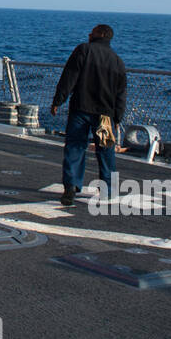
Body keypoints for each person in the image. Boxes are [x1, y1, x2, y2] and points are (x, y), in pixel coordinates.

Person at [50, 24, 128, 208]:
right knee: (106, 152)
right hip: (105, 116)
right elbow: (121, 93)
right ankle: (108, 190)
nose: (89, 34)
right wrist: (118, 118)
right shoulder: (118, 61)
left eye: (92, 32)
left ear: (100, 34)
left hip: (81, 109)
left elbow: (69, 76)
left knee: (75, 148)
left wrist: (58, 100)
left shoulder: (84, 50)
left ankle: (71, 187)